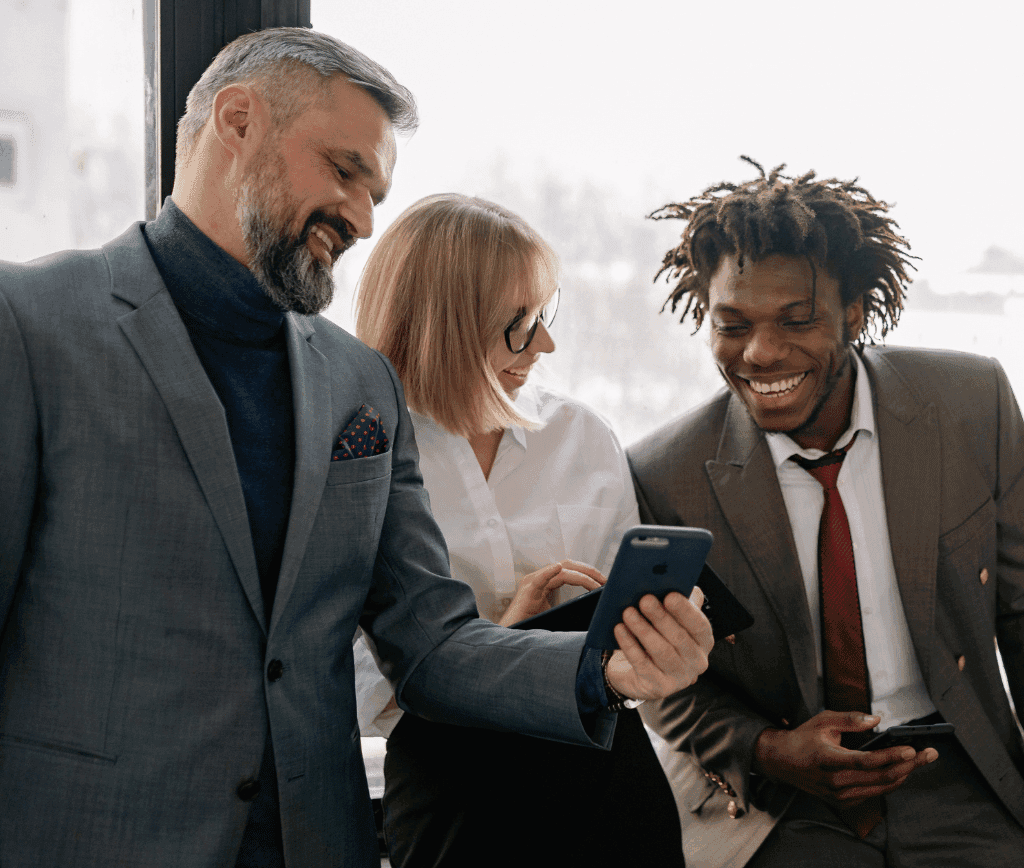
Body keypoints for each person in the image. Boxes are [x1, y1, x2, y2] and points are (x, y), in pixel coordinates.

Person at [0, 29, 715, 868]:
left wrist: (604, 670)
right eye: (345, 172)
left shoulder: (359, 384)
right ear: (237, 122)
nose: (365, 219)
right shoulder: (31, 325)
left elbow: (433, 645)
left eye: (376, 192)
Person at [628, 156, 1024, 867]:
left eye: (797, 319)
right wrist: (770, 749)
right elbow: (668, 684)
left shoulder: (972, 404)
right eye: (733, 323)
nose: (760, 352)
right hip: (783, 804)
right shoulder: (665, 473)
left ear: (855, 312)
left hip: (963, 776)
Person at [352, 193, 689, 867]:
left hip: (603, 772)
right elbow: (335, 680)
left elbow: (620, 627)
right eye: (518, 323)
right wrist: (498, 643)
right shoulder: (359, 456)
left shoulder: (581, 436)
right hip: (455, 789)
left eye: (544, 315)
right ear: (445, 324)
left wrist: (659, 631)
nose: (546, 344)